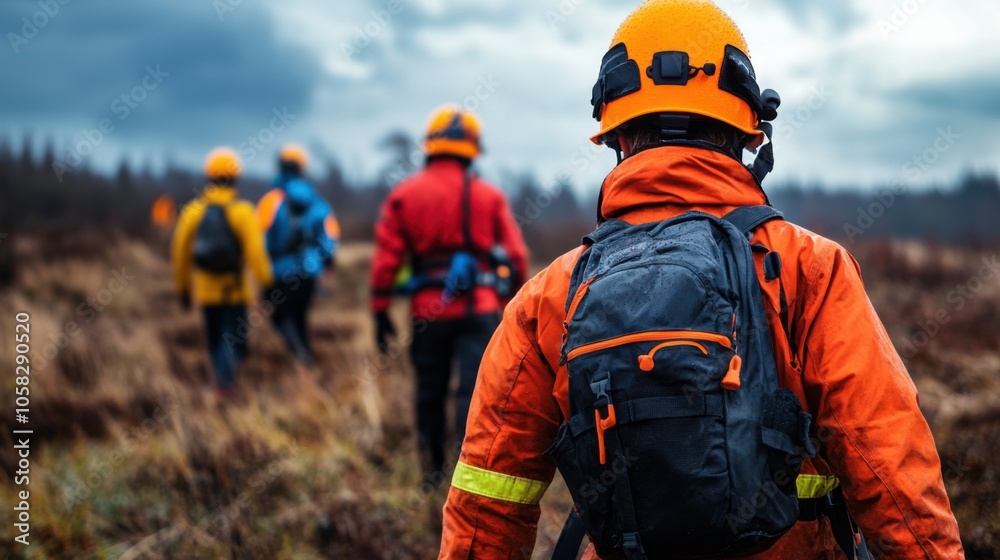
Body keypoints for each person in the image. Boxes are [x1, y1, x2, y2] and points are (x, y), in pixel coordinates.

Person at [438, 1, 965, 559]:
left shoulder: (551, 295)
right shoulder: (810, 268)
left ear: (616, 137)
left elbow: (485, 502)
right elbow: (891, 465)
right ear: (749, 134)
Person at [370, 105, 529, 479]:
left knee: (429, 392)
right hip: (479, 311)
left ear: (430, 146)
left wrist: (379, 310)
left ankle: (430, 475)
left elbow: (386, 259)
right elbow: (517, 257)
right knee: (472, 394)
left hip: (427, 312)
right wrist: (507, 305)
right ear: (472, 149)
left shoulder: (403, 195)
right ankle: (467, 470)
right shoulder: (489, 196)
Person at [172, 147, 273, 398]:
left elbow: (179, 254)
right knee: (234, 341)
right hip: (235, 291)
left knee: (216, 339)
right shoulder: (243, 212)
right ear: (236, 177)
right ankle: (225, 386)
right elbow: (256, 253)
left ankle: (222, 381)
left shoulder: (192, 212)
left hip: (206, 292)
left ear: (208, 176)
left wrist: (183, 288)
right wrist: (267, 284)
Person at [257, 144, 341, 365]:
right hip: (308, 273)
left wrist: (262, 271)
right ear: (303, 168)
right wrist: (325, 264)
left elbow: (260, 242)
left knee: (279, 317)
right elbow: (330, 238)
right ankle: (305, 357)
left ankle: (300, 355)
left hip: (279, 273)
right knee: (300, 317)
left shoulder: (270, 202)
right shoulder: (318, 203)